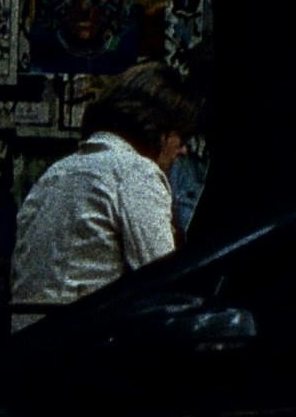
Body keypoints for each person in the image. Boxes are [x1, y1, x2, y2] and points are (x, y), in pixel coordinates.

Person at [10, 65, 197, 318]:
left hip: (32, 343)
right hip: (86, 347)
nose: (183, 150)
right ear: (157, 128)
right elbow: (165, 285)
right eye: (181, 137)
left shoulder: (57, 172)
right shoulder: (135, 172)